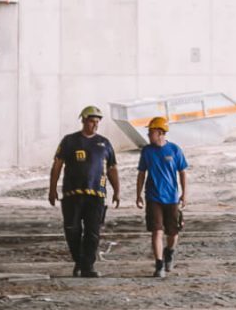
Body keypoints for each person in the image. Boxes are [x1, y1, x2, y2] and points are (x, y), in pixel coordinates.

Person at [48, 105, 120, 277]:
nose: (94, 125)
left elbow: (112, 169)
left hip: (96, 195)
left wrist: (117, 190)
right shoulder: (69, 141)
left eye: (97, 122)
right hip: (72, 194)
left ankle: (87, 266)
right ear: (83, 120)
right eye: (91, 121)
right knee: (72, 229)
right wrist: (52, 189)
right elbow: (57, 165)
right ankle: (79, 261)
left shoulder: (104, 143)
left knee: (92, 231)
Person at [135, 116, 191, 278]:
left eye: (150, 132)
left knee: (173, 233)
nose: (148, 135)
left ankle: (169, 252)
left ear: (160, 133)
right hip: (153, 197)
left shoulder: (174, 150)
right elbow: (141, 173)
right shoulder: (147, 151)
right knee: (156, 231)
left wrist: (184, 194)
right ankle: (159, 264)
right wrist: (138, 194)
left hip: (172, 198)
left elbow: (182, 172)